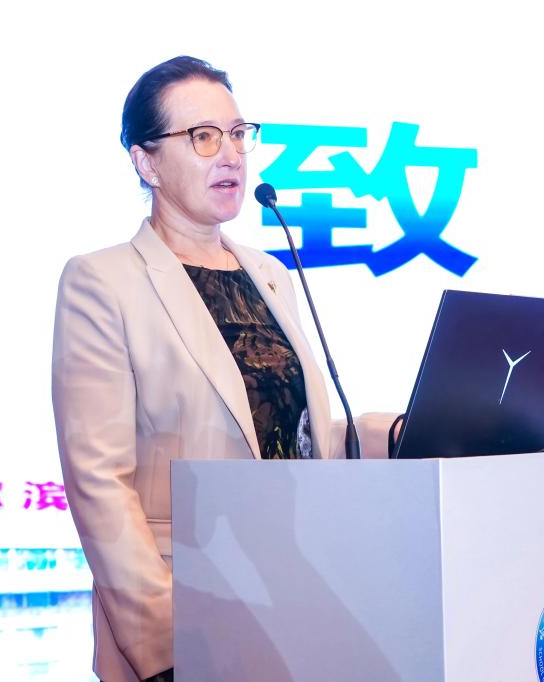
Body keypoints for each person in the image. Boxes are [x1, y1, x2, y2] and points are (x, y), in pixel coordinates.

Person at [51, 56, 396, 682]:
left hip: (289, 595)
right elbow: (99, 483)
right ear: (147, 162)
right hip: (187, 609)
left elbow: (283, 435)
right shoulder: (103, 282)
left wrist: (396, 432)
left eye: (238, 134)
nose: (231, 154)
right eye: (203, 137)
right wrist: (165, 644)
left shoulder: (269, 273)